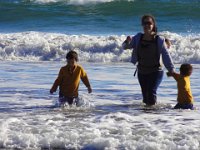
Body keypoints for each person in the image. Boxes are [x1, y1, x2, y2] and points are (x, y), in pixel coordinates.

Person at [122, 14, 175, 106]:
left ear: (153, 25)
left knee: (151, 93)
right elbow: (125, 47)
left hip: (156, 71)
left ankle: (153, 116)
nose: (146, 25)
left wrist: (171, 70)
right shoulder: (138, 37)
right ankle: (147, 117)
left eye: (149, 23)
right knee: (145, 97)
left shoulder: (159, 40)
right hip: (142, 71)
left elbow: (166, 55)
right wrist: (127, 41)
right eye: (144, 23)